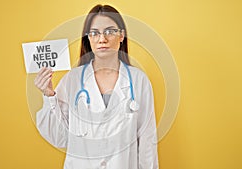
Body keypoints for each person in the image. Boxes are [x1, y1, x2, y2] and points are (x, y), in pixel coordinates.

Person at [34, 4, 159, 169]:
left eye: (109, 31)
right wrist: (49, 96)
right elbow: (59, 138)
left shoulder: (138, 81)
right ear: (88, 38)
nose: (102, 39)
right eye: (95, 33)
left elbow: (147, 141)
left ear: (122, 35)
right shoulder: (72, 80)